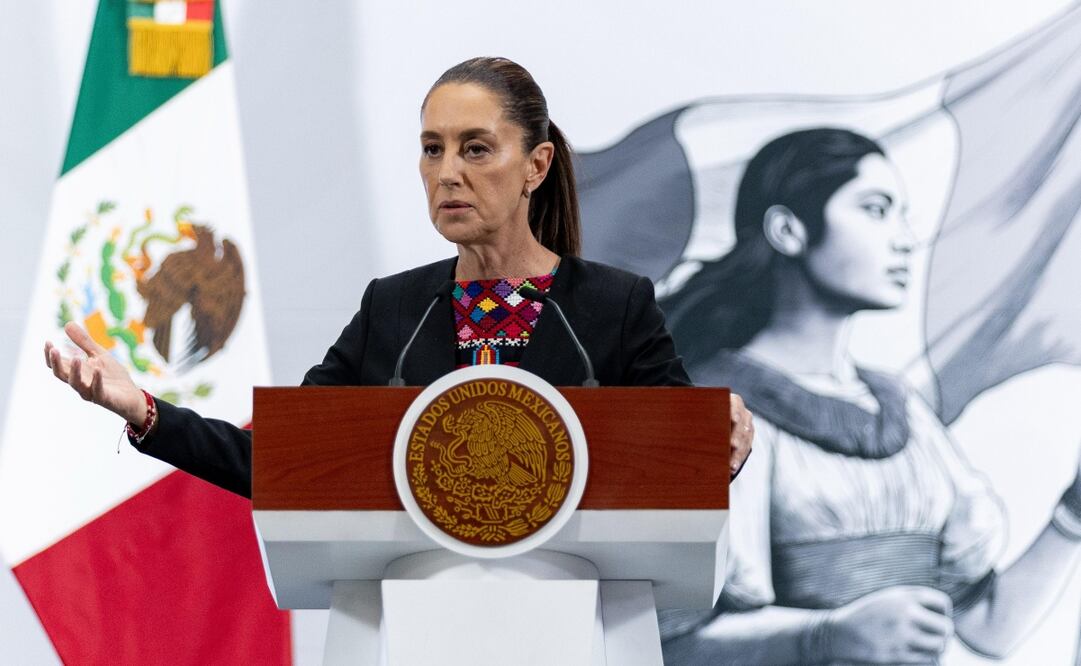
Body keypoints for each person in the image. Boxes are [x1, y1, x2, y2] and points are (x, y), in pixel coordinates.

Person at [43, 56, 754, 499]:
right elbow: (280, 462)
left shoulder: (614, 307)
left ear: (535, 166)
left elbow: (684, 464)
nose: (447, 173)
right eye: (432, 149)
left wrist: (723, 443)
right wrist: (144, 410)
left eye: (476, 149)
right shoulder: (394, 308)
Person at [657, 128, 1081, 664]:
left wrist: (1074, 510)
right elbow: (668, 641)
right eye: (876, 210)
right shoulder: (709, 408)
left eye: (903, 215)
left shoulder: (901, 411)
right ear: (788, 230)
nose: (905, 239)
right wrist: (824, 635)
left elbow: (988, 626)